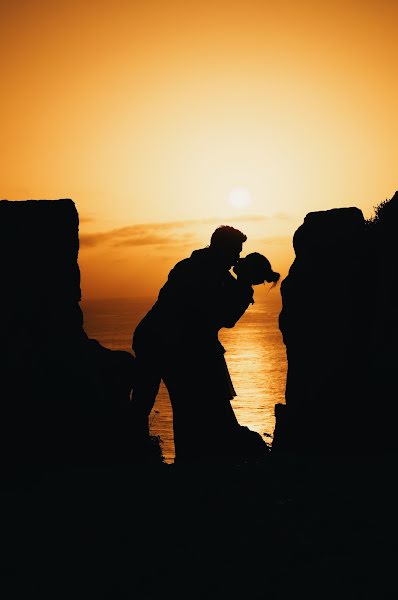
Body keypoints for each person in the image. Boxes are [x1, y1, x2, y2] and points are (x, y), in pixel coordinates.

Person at [131, 226, 279, 463]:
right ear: (222, 248)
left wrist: (242, 285)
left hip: (162, 340)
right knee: (173, 405)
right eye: (235, 251)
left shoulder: (198, 268)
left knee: (168, 405)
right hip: (166, 343)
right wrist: (242, 286)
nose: (236, 258)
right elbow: (220, 316)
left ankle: (165, 459)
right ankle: (155, 460)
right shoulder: (203, 272)